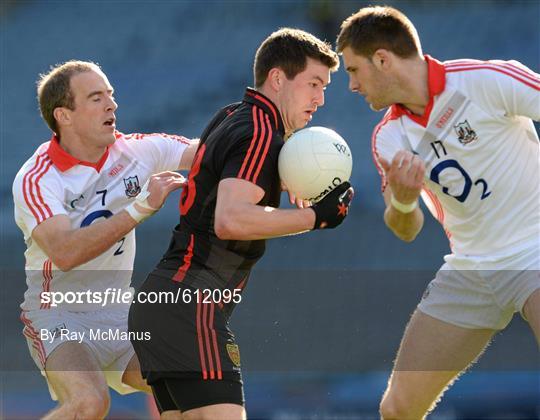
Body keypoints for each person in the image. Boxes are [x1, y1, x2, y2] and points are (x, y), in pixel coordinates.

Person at [128, 28, 354, 419]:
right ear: (278, 78)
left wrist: (284, 174)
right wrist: (317, 217)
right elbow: (230, 220)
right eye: (314, 84)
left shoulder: (232, 115)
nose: (320, 98)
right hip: (191, 303)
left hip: (164, 300)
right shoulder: (260, 130)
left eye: (325, 87)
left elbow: (221, 179)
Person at [336, 5, 539, 419]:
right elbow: (404, 228)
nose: (352, 86)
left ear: (382, 59)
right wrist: (407, 198)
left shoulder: (485, 80)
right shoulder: (387, 139)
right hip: (471, 270)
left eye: (354, 71)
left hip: (535, 250)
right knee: (397, 410)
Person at [12, 60, 199, 419]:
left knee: (185, 380)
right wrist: (140, 208)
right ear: (64, 116)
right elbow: (65, 252)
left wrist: (282, 167)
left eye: (110, 95)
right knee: (90, 403)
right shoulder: (38, 177)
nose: (111, 105)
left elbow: (211, 153)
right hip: (58, 314)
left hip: (118, 311)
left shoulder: (138, 151)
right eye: (96, 98)